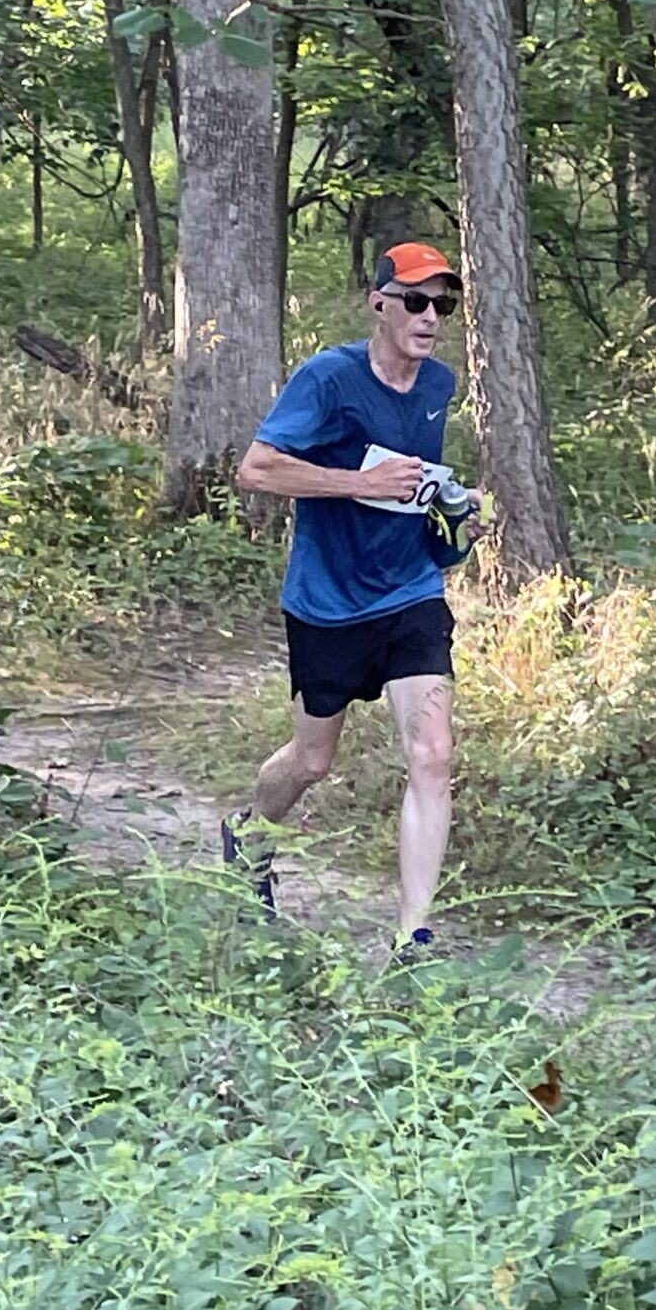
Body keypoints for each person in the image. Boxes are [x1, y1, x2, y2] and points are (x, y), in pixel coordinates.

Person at [223, 243, 484, 956]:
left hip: (410, 590)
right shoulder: (329, 378)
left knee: (433, 755)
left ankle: (413, 938)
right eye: (415, 302)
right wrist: (358, 485)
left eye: (442, 306)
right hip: (328, 601)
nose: (430, 318)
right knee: (312, 762)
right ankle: (248, 834)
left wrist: (452, 510)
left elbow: (413, 482)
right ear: (379, 304)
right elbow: (256, 470)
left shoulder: (438, 383)